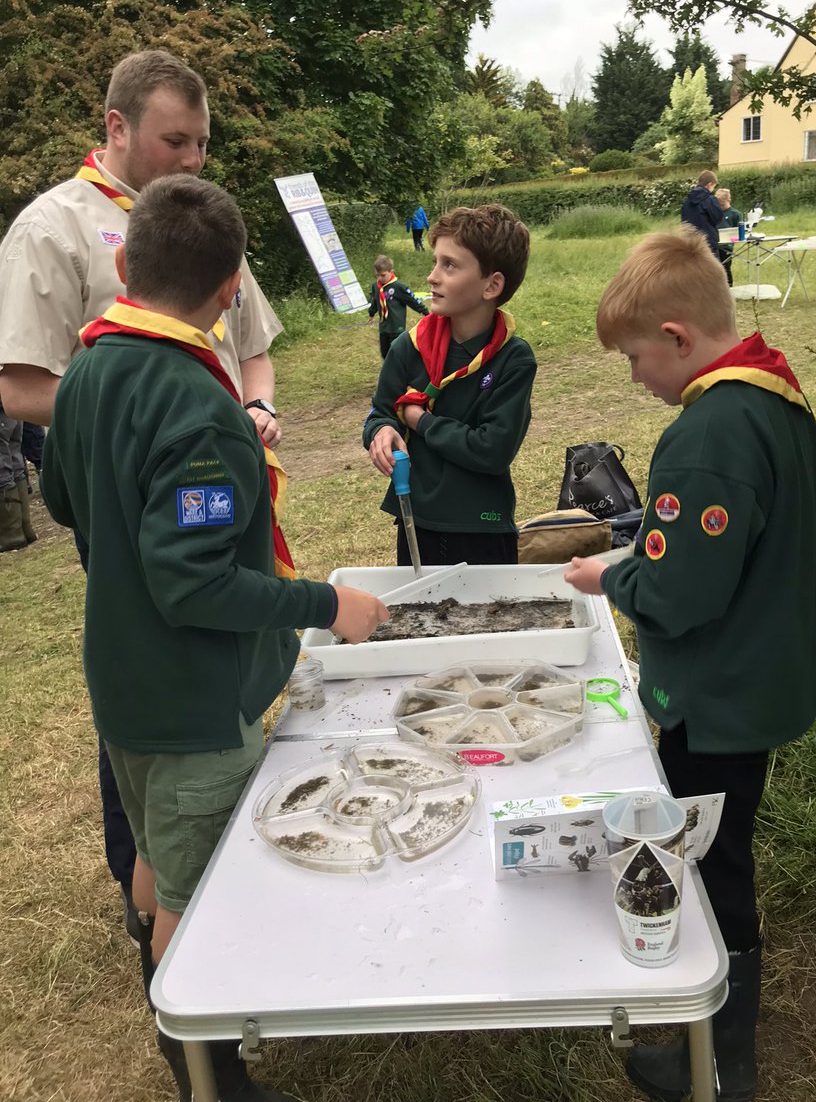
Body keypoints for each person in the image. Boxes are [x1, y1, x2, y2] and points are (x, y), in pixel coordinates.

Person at [40, 175, 388, 1102]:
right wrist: (324, 605)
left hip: (122, 677)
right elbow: (194, 584)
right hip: (192, 700)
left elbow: (62, 500)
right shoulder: (200, 411)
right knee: (197, 890)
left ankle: (175, 1006)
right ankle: (204, 1064)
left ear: (125, 260)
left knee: (156, 850)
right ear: (233, 287)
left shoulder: (88, 368)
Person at [0, 48, 285, 940]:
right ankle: (160, 891)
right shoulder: (55, 229)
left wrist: (254, 403)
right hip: (136, 493)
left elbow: (252, 338)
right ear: (117, 126)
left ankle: (185, 854)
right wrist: (163, 420)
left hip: (215, 471)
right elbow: (21, 383)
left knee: (207, 668)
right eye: (176, 140)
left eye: (202, 143)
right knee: (157, 672)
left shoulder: (199, 221)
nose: (194, 159)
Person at [564, 225, 816, 1102]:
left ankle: (717, 1053)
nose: (634, 376)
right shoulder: (778, 397)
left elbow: (680, 595)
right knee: (722, 846)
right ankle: (720, 1026)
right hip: (761, 675)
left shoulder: (706, 433)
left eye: (636, 357)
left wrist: (616, 572)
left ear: (676, 338)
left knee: (707, 860)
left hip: (718, 695)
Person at [363, 203, 536, 566]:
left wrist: (419, 421)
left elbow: (492, 451)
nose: (432, 277)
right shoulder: (408, 347)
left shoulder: (513, 359)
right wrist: (380, 431)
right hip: (416, 522)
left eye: (450, 265)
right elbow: (380, 413)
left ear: (492, 285)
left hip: (483, 527)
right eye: (435, 262)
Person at [367, 254, 429, 359]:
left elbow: (412, 300)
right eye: (377, 275)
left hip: (397, 326)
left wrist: (424, 312)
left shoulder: (398, 287)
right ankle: (389, 370)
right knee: (385, 353)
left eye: (383, 275)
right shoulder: (376, 286)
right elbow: (375, 301)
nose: (380, 278)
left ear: (391, 272)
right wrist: (371, 313)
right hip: (384, 326)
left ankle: (401, 370)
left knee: (396, 352)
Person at [0, 403, 36, 550]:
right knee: (14, 458)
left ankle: (11, 534)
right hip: (9, 401)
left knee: (3, 465)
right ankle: (24, 527)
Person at [681, 169, 724, 258]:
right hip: (708, 242)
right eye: (714, 187)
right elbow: (718, 218)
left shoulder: (687, 201)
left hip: (690, 242)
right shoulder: (710, 199)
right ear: (710, 184)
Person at [715, 187, 743, 287]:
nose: (720, 206)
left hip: (727, 245)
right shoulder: (714, 213)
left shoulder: (735, 214)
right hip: (714, 243)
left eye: (722, 204)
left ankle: (728, 286)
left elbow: (738, 233)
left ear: (728, 200)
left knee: (725, 266)